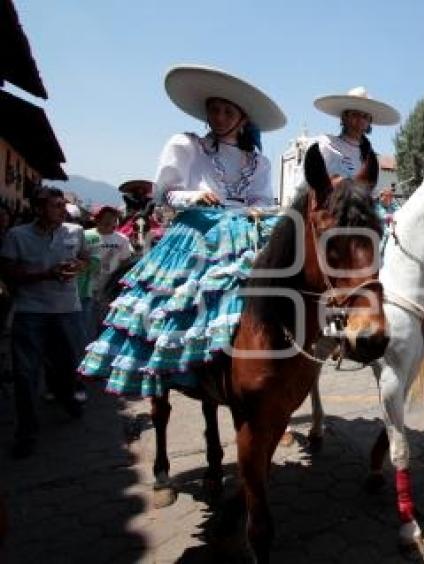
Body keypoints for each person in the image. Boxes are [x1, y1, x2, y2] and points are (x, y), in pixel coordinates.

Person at [78, 64, 286, 397]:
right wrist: (193, 196)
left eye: (227, 110)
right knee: (179, 300)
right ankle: (181, 362)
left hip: (246, 228)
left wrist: (259, 211)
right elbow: (164, 191)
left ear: (243, 118)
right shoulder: (187, 144)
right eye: (214, 109)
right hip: (199, 228)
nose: (218, 116)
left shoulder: (259, 162)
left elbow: (261, 198)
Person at [0, 187, 90, 458]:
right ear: (38, 209)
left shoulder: (74, 232)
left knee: (69, 364)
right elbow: (7, 271)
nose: (62, 210)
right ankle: (26, 433)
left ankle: (66, 396)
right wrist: (45, 275)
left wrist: (77, 267)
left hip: (67, 310)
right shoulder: (18, 236)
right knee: (26, 375)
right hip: (31, 312)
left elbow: (86, 259)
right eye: (55, 206)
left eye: (63, 205)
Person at [313, 86, 400, 188]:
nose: (360, 120)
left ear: (369, 122)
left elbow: (373, 192)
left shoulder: (371, 158)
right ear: (344, 117)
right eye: (355, 114)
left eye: (365, 116)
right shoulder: (327, 144)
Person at [79, 205, 134, 337]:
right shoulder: (85, 236)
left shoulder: (122, 240)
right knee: (86, 324)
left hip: (110, 289)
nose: (111, 220)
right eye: (107, 216)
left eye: (113, 217)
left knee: (106, 323)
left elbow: (125, 263)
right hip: (86, 288)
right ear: (97, 218)